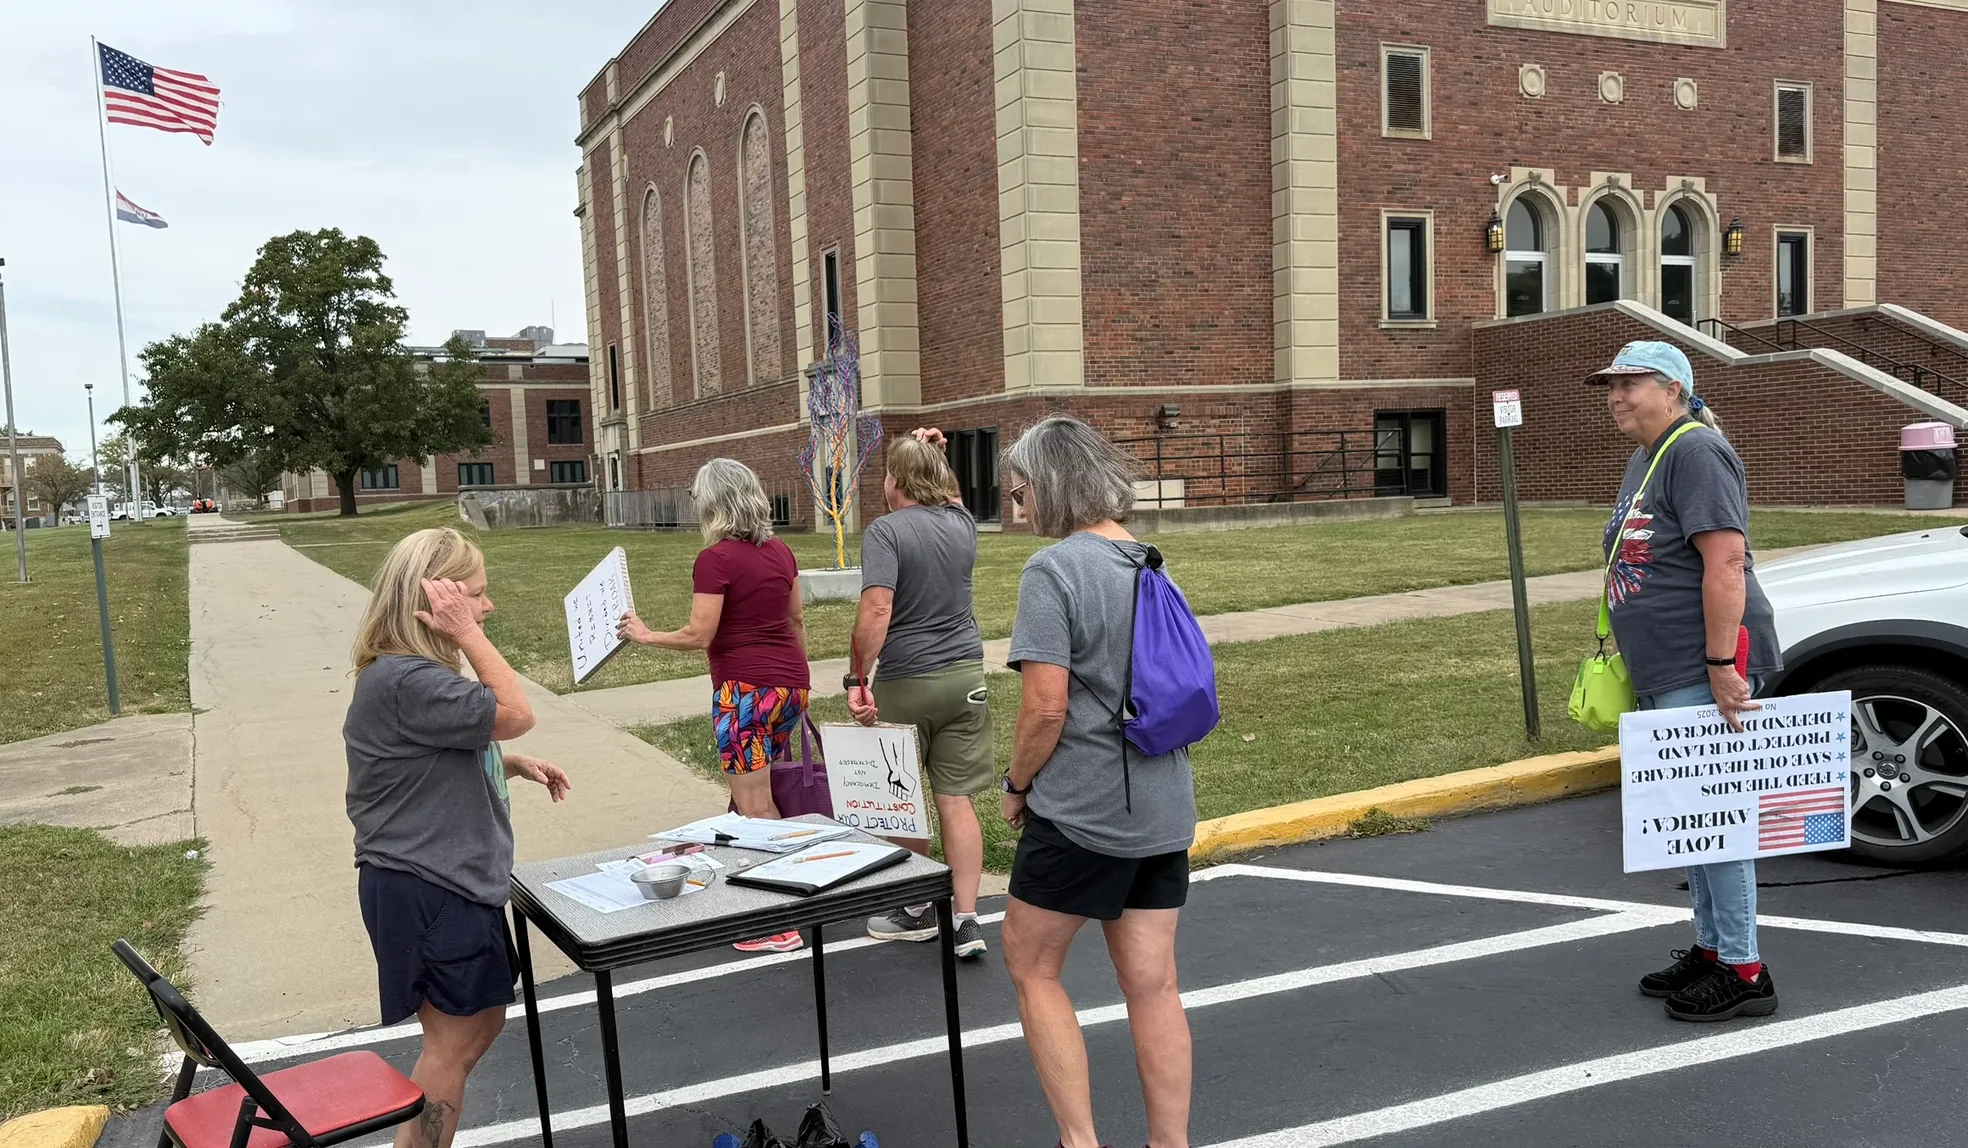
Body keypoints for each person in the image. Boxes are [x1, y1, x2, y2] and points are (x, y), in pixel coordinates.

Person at [997, 416, 1196, 1148]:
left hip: (1084, 810)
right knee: (1154, 984)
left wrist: (1016, 783)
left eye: (1020, 491)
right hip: (1162, 804)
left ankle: (1079, 1142)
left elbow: (1045, 708)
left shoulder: (1053, 571)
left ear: (1048, 487)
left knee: (1032, 963)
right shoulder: (1150, 562)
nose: (1017, 507)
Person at [344, 528, 572, 1148]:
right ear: (437, 602)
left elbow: (431, 756)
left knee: (477, 1028)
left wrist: (509, 764)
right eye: (476, 595)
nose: (487, 606)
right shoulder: (407, 679)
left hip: (446, 881)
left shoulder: (409, 678)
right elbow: (517, 713)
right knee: (452, 1043)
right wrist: (468, 633)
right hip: (428, 888)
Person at [1589, 340, 1784, 1023]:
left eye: (1630, 383)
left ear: (1673, 389)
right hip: (1666, 664)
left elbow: (1726, 562)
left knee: (1718, 819)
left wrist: (1723, 666)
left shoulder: (1696, 451)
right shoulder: (1648, 456)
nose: (1616, 396)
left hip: (1701, 666)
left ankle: (1745, 970)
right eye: (1610, 385)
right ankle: (1711, 948)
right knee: (1690, 818)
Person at [618, 458, 810, 954]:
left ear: (712, 503)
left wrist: (644, 635)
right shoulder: (780, 551)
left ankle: (778, 921)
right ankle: (760, 893)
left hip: (743, 693)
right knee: (754, 797)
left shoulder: (716, 559)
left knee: (756, 807)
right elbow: (795, 621)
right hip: (790, 687)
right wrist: (796, 681)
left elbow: (698, 634)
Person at [846, 428, 992, 960]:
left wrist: (857, 677)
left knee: (902, 798)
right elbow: (951, 496)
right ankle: (967, 919)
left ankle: (915, 909)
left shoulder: (885, 531)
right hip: (965, 676)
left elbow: (877, 608)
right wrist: (936, 455)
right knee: (955, 799)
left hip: (907, 677)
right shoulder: (962, 523)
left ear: (896, 481)